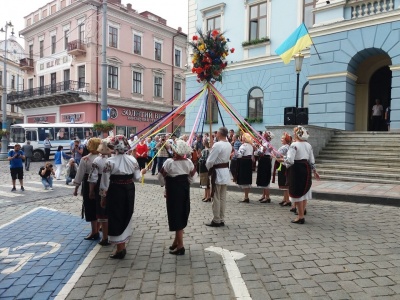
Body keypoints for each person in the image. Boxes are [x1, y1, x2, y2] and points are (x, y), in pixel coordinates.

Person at [143, 140, 197, 255]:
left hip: (173, 191)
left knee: (175, 214)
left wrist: (165, 186)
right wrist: (185, 183)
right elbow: (193, 178)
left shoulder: (169, 162)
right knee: (182, 212)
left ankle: (180, 245)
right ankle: (176, 242)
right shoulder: (189, 162)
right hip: (184, 190)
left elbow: (160, 176)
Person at [100, 135, 141, 259]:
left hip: (115, 190)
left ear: (113, 147)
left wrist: (103, 196)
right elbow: (137, 178)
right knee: (126, 213)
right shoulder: (133, 160)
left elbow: (105, 182)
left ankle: (120, 248)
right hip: (129, 189)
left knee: (116, 215)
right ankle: (121, 246)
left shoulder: (109, 162)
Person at [284, 126, 320, 224]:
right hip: (306, 168)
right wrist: (314, 170)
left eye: (294, 132)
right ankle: (302, 212)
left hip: (296, 169)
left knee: (298, 191)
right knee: (304, 191)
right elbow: (311, 159)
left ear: (297, 134)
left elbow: (290, 161)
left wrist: (283, 161)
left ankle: (300, 217)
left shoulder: (294, 145)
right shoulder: (308, 145)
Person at [73, 138, 102, 240]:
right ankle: (98, 229)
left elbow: (79, 175)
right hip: (101, 184)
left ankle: (94, 231)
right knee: (99, 207)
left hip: (88, 184)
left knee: (90, 208)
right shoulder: (103, 158)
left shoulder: (85, 159)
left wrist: (76, 188)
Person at [205, 127, 232, 227]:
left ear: (220, 134)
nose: (216, 135)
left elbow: (210, 161)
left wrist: (208, 168)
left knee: (216, 197)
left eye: (217, 133)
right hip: (224, 172)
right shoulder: (228, 144)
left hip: (217, 172)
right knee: (222, 197)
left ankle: (216, 219)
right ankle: (221, 218)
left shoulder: (217, 145)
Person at [89, 139, 113, 246]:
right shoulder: (113, 159)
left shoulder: (97, 161)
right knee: (111, 210)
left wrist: (91, 191)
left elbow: (92, 177)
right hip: (113, 184)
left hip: (101, 184)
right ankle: (113, 234)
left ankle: (105, 237)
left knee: (102, 211)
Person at [272, 132, 292, 206]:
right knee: (284, 184)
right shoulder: (286, 146)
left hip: (283, 166)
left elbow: (278, 154)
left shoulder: (285, 147)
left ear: (286, 140)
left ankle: (287, 200)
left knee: (284, 184)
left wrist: (271, 150)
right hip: (283, 165)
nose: (281, 139)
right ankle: (284, 199)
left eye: (283, 138)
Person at [256, 131, 274, 203]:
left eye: (264, 134)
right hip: (264, 160)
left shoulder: (266, 144)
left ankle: (267, 196)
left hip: (264, 160)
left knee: (265, 177)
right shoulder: (264, 143)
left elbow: (261, 153)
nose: (262, 134)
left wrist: (256, 149)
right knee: (263, 177)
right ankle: (264, 195)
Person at [236, 133, 254, 203]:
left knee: (244, 179)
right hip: (248, 162)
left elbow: (240, 155)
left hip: (244, 163)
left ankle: (246, 197)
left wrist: (235, 153)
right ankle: (246, 196)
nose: (241, 138)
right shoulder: (251, 146)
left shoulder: (243, 146)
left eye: (243, 137)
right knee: (248, 179)